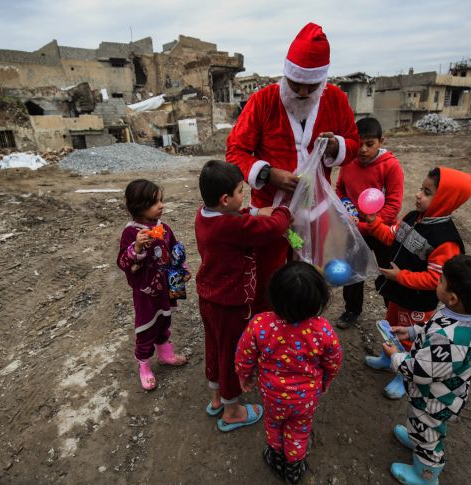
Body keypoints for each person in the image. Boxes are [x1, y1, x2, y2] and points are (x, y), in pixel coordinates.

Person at [226, 22, 360, 315]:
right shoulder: (263, 101)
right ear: (285, 74)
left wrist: (337, 146)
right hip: (270, 213)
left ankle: (304, 329)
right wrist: (267, 173)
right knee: (269, 276)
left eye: (310, 86)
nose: (300, 91)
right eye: (294, 83)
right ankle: (265, 328)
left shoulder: (335, 99)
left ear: (322, 81)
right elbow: (235, 150)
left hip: (315, 212)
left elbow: (354, 143)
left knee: (309, 275)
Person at [382, 255, 471, 485]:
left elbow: (418, 371)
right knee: (419, 425)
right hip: (442, 390)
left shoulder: (448, 341)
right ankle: (416, 438)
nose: (437, 283)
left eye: (440, 280)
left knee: (429, 436)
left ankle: (426, 474)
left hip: (434, 398)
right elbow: (434, 326)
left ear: (452, 298)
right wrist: (411, 332)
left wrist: (395, 356)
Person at [359, 167, 471, 399]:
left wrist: (399, 276)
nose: (418, 195)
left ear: (444, 199)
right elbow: (392, 236)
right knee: (391, 324)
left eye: (427, 192)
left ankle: (404, 375)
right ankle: (388, 358)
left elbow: (435, 279)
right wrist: (374, 223)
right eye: (420, 189)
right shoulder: (414, 217)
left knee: (410, 339)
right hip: (400, 293)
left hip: (417, 302)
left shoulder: (445, 241)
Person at [195, 160, 293, 432]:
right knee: (231, 354)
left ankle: (217, 397)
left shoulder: (204, 215)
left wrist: (254, 210)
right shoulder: (233, 227)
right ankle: (232, 410)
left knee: (214, 348)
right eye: (241, 191)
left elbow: (239, 216)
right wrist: (283, 212)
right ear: (226, 199)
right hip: (230, 304)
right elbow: (270, 229)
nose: (245, 196)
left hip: (209, 298)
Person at [235, 261, 342, 484]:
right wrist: (327, 380)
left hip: (273, 394)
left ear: (273, 296)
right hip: (306, 397)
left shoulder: (260, 324)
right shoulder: (323, 329)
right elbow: (333, 360)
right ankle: (293, 468)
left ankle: (275, 457)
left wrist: (244, 375)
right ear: (319, 300)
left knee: (273, 424)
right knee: (299, 430)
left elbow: (244, 354)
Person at [116, 179, 188, 390]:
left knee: (165, 320)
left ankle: (166, 355)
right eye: (154, 202)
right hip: (146, 292)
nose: (161, 205)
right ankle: (144, 365)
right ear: (138, 206)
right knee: (146, 327)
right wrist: (136, 247)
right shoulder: (131, 233)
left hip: (167, 286)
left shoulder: (164, 228)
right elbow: (123, 263)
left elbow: (174, 250)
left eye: (161, 200)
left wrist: (182, 271)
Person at [335, 116, 404, 329]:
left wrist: (369, 225)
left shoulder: (391, 166)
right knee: (353, 272)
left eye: (370, 144)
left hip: (383, 232)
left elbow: (393, 204)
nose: (363, 149)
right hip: (354, 231)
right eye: (360, 144)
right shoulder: (348, 164)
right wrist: (346, 206)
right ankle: (352, 310)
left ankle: (393, 312)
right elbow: (340, 188)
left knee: (387, 272)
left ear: (382, 141)